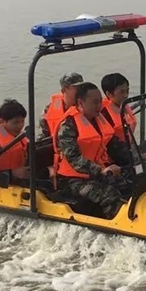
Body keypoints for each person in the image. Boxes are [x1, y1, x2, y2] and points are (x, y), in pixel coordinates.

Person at [54, 82, 132, 219]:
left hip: (98, 174)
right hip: (72, 180)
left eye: (100, 102)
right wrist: (100, 170)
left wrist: (135, 156)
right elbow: (74, 159)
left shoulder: (99, 119)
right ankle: (117, 228)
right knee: (109, 193)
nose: (99, 106)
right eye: (94, 102)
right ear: (81, 102)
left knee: (131, 183)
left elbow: (115, 145)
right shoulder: (68, 126)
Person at [100, 73, 146, 167]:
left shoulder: (123, 106)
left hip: (129, 150)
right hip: (116, 160)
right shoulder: (104, 115)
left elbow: (129, 134)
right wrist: (138, 157)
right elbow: (113, 149)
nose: (126, 95)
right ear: (108, 94)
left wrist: (135, 152)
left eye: (127, 90)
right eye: (121, 92)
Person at [40, 72, 83, 140]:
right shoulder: (48, 110)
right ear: (64, 90)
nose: (80, 90)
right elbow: (44, 133)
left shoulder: (86, 107)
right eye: (76, 87)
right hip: (56, 146)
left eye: (82, 87)